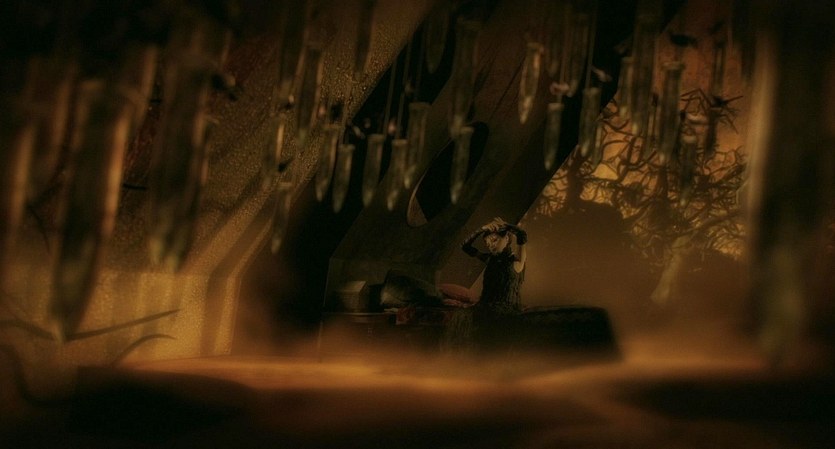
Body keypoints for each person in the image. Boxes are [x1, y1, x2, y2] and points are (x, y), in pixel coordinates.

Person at [460, 217, 527, 350]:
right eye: (487, 243)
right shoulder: (489, 259)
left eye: (494, 240)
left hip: (507, 310)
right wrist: (482, 229)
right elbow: (465, 246)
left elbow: (522, 235)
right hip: (485, 307)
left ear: (506, 238)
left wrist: (506, 225)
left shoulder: (516, 261)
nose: (490, 245)